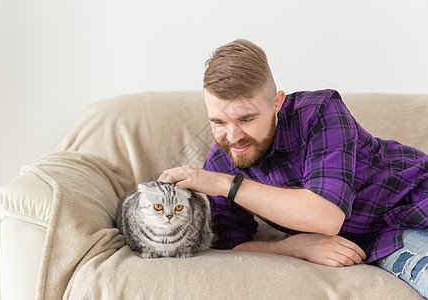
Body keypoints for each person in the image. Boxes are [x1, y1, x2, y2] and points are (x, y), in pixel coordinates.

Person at [158, 39, 428, 297]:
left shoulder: (320, 112)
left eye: (247, 118)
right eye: (218, 122)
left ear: (277, 102)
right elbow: (232, 245)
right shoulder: (222, 162)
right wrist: (292, 247)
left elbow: (326, 216)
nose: (233, 136)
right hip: (387, 239)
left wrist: (227, 185)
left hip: (417, 197)